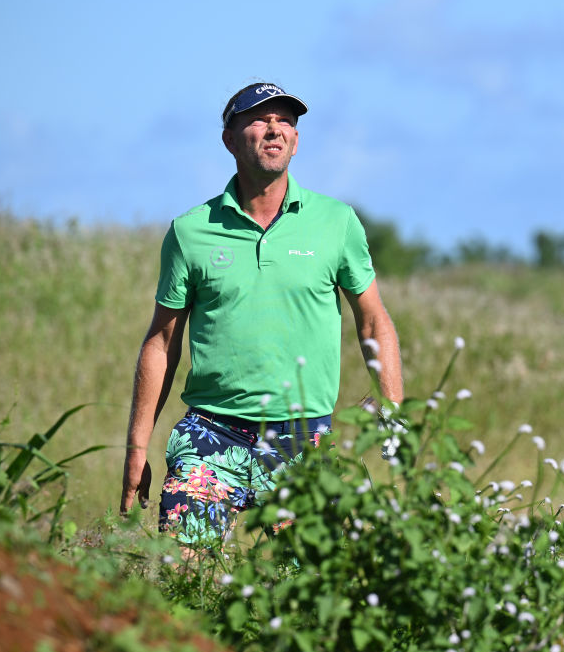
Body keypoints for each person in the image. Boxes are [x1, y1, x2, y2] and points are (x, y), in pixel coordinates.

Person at [119, 81, 403, 544]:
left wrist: (392, 408)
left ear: (296, 140)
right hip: (210, 435)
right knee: (184, 573)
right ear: (229, 140)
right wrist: (137, 446)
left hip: (306, 441)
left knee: (315, 580)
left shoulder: (337, 223)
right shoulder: (191, 232)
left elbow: (373, 320)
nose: (275, 129)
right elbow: (162, 342)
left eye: (285, 120)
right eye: (259, 119)